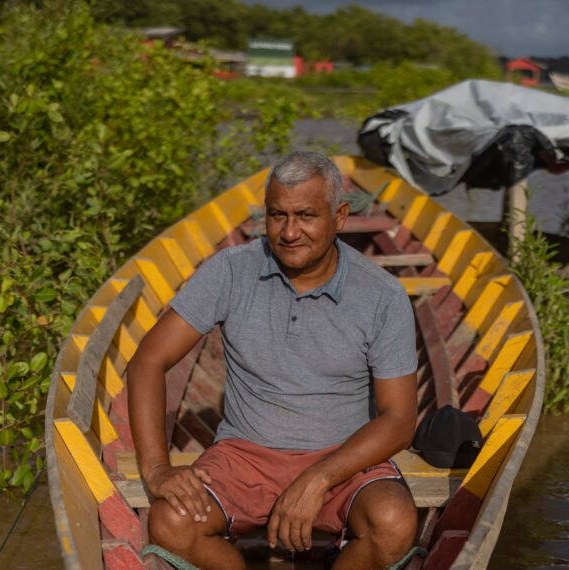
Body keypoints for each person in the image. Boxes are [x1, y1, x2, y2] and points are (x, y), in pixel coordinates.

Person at [126, 151, 418, 569]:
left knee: (393, 522)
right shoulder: (231, 271)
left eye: (306, 215)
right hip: (245, 455)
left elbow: (399, 420)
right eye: (277, 215)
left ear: (339, 216)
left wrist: (318, 478)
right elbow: (147, 363)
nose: (290, 231)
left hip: (343, 457)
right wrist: (156, 469)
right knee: (171, 522)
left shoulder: (381, 294)